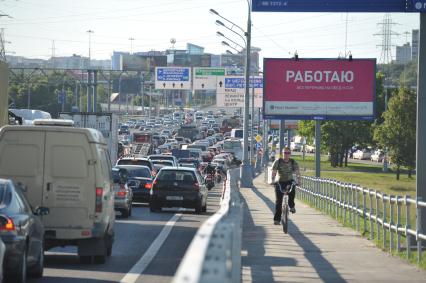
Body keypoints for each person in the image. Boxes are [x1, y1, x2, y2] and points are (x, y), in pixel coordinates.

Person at [270, 147, 301, 225]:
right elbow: (274, 172)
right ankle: (277, 219)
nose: (286, 155)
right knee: (278, 201)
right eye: (285, 153)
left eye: (288, 153)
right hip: (280, 181)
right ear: (282, 154)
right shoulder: (278, 161)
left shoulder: (293, 162)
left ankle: (292, 206)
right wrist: (273, 180)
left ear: (290, 154)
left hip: (289, 181)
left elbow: (297, 172)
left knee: (292, 191)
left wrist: (299, 181)